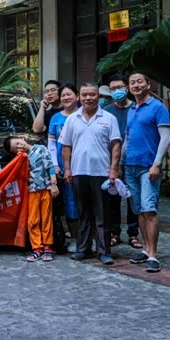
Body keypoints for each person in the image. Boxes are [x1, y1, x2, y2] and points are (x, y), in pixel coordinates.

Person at [60, 82, 122, 265]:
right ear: (79, 97)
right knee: (83, 212)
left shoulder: (109, 118)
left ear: (99, 97)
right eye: (85, 95)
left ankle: (104, 251)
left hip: (102, 172)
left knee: (103, 213)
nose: (88, 98)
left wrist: (114, 169)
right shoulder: (72, 119)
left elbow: (116, 145)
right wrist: (67, 169)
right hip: (78, 172)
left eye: (92, 94)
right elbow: (66, 146)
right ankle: (83, 249)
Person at [123, 71, 170, 273]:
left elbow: (165, 137)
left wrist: (156, 164)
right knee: (139, 210)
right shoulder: (131, 109)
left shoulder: (158, 107)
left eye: (139, 81)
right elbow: (127, 138)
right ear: (129, 87)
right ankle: (145, 249)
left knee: (149, 209)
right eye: (132, 83)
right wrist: (118, 163)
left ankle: (153, 255)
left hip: (148, 166)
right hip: (130, 166)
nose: (136, 85)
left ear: (148, 84)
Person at [2, 136, 59, 262]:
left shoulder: (41, 149)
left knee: (46, 218)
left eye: (18, 143)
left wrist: (54, 184)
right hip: (31, 191)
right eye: (16, 148)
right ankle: (36, 248)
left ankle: (48, 247)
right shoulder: (21, 158)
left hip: (46, 189)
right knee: (33, 220)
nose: (19, 147)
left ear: (21, 138)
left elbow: (50, 166)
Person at [104, 74, 142, 250]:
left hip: (133, 161)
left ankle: (133, 234)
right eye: (112, 89)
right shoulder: (107, 111)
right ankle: (115, 233)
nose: (116, 91)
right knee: (113, 198)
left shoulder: (136, 108)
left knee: (133, 197)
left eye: (119, 87)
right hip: (112, 161)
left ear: (126, 88)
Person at [47, 83, 80, 243]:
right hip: (63, 167)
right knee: (70, 202)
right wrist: (55, 164)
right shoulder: (56, 118)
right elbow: (51, 144)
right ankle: (75, 239)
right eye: (63, 95)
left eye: (69, 94)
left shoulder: (84, 114)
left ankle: (91, 239)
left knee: (87, 201)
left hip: (83, 165)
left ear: (77, 96)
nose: (66, 97)